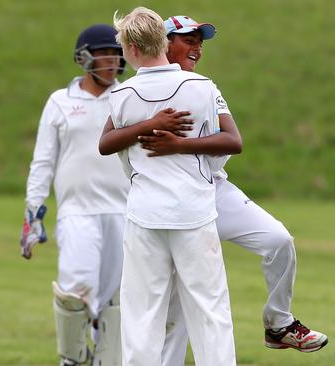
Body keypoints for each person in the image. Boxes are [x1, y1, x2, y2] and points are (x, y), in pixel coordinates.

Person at [98, 15, 328, 362]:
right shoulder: (188, 88)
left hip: (201, 192)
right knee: (191, 311)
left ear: (133, 48)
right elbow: (109, 142)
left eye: (199, 41)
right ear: (164, 41)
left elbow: (232, 141)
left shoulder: (188, 87)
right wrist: (157, 129)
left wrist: (176, 144)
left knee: (278, 240)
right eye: (188, 39)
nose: (196, 47)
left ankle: (279, 323)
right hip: (180, 207)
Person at [110, 7, 238, 366]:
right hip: (194, 211)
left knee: (142, 313)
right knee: (209, 309)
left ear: (132, 49)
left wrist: (144, 128)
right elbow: (227, 147)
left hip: (144, 214)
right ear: (162, 43)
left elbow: (107, 145)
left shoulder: (123, 94)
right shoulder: (202, 87)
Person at [21, 24, 129, 366]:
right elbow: (43, 162)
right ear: (84, 58)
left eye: (116, 55)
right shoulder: (60, 101)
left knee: (117, 302)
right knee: (74, 291)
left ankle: (106, 361)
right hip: (77, 212)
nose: (112, 62)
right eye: (104, 55)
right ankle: (72, 359)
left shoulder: (129, 97)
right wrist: (32, 214)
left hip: (125, 213)